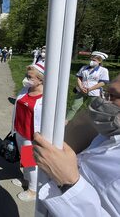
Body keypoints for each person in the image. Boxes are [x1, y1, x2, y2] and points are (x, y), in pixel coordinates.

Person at [34, 74, 120, 216]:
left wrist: (69, 184)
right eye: (106, 94)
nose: (103, 101)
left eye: (112, 95)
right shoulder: (107, 131)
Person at [10, 62, 45, 201]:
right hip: (19, 130)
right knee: (24, 159)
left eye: (30, 77)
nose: (26, 79)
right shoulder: (27, 89)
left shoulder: (45, 98)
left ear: (41, 80)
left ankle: (33, 190)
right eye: (26, 76)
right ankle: (26, 179)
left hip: (30, 136)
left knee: (30, 163)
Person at [66, 51, 109, 121]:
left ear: (99, 61)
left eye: (94, 60)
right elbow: (79, 78)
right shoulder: (84, 68)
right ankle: (66, 121)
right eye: (91, 60)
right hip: (81, 91)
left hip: (94, 92)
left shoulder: (103, 70)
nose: (91, 61)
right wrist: (81, 87)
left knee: (93, 109)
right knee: (74, 107)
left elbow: (103, 82)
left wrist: (90, 89)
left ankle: (91, 125)